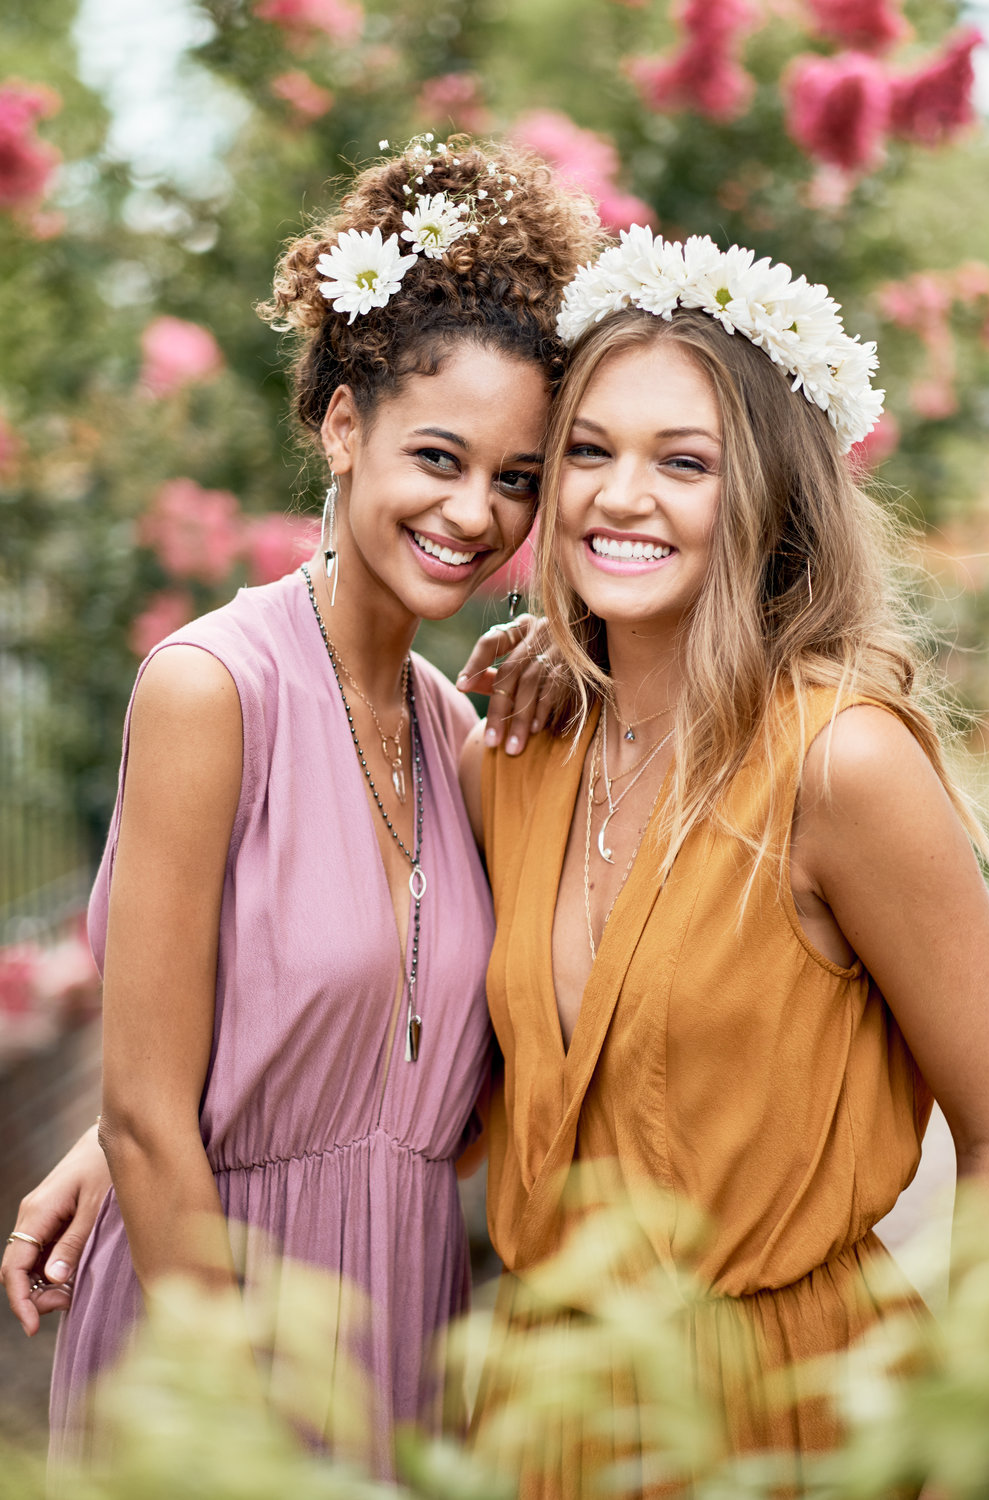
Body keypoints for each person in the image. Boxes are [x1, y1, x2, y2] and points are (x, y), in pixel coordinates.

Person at [0, 135, 598, 1476]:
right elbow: (153, 1114)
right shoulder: (214, 691)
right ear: (343, 425)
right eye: (439, 457)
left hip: (402, 1336)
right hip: (213, 1346)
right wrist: (242, 1444)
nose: (475, 512)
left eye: (516, 478)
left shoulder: (460, 735)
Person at [459, 229, 989, 1494]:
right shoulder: (514, 761)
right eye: (586, 451)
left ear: (768, 498)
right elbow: (364, 993)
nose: (617, 495)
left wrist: (960, 1429)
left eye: (682, 461)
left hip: (794, 1417)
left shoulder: (842, 768)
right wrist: (130, 1128)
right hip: (542, 1412)